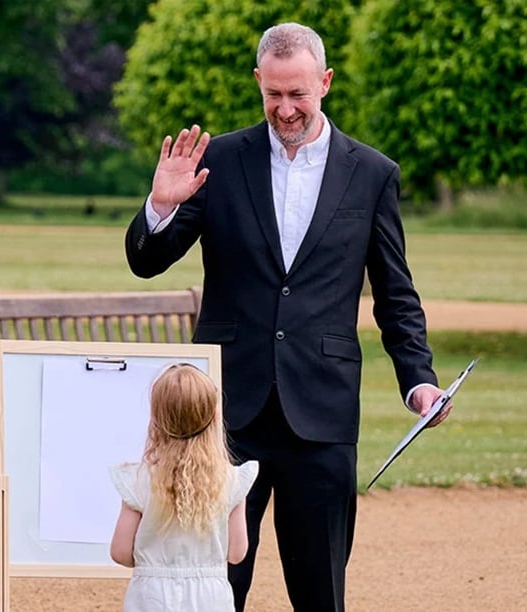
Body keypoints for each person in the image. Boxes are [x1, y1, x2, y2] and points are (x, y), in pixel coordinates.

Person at [124, 22, 453, 612]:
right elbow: (146, 262)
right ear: (258, 81)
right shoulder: (218, 161)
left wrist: (419, 381)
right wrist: (159, 208)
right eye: (273, 94)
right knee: (215, 587)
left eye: (298, 93)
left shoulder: (373, 173)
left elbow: (395, 294)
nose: (285, 108)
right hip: (226, 417)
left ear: (325, 82)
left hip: (323, 413)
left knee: (320, 592)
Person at [109, 363, 259, 612]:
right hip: (210, 597)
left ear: (155, 419)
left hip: (151, 596)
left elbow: (120, 552)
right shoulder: (231, 480)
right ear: (214, 417)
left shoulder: (138, 479)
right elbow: (236, 553)